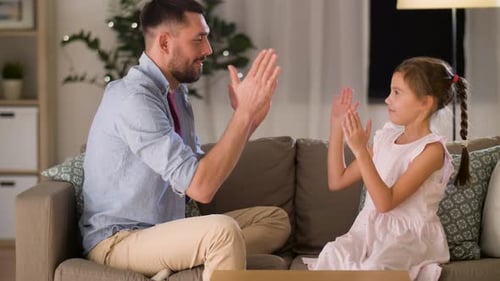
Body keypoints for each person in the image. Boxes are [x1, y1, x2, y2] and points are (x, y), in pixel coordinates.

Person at [79, 1, 291, 281]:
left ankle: (186, 261)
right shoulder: (134, 99)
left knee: (275, 220)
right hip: (119, 239)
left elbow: (196, 175)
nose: (208, 50)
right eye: (199, 39)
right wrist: (243, 115)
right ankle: (211, 253)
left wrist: (248, 122)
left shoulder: (175, 93)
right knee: (223, 232)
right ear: (165, 42)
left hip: (166, 229)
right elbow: (201, 188)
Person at [303, 57, 471, 281]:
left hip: (408, 238)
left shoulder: (431, 151)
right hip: (368, 231)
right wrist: (337, 126)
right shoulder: (386, 138)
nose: (387, 99)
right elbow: (337, 180)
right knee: (334, 254)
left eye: (397, 93)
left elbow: (385, 203)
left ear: (425, 103)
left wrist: (361, 151)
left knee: (376, 267)